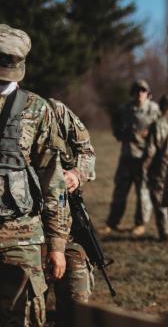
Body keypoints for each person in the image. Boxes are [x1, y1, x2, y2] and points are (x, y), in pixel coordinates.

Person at [0, 24, 70, 326]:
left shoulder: (38, 109)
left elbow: (52, 180)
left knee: (24, 317)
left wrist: (56, 246)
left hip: (22, 236)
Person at [46, 98, 96, 321]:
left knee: (75, 308)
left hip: (67, 226)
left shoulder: (54, 110)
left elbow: (87, 151)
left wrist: (76, 174)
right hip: (19, 231)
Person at [103, 79, 160, 236]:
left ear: (148, 93)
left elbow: (164, 126)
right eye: (136, 90)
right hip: (127, 156)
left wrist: (152, 137)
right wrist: (119, 134)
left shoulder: (154, 110)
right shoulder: (125, 109)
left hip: (145, 158)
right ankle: (112, 222)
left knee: (142, 193)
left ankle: (140, 224)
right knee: (119, 190)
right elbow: (115, 119)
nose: (139, 93)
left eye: (143, 90)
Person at [142, 94, 168, 242]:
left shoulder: (157, 124)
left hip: (161, 166)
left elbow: (151, 150)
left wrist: (144, 166)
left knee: (160, 198)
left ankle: (165, 233)